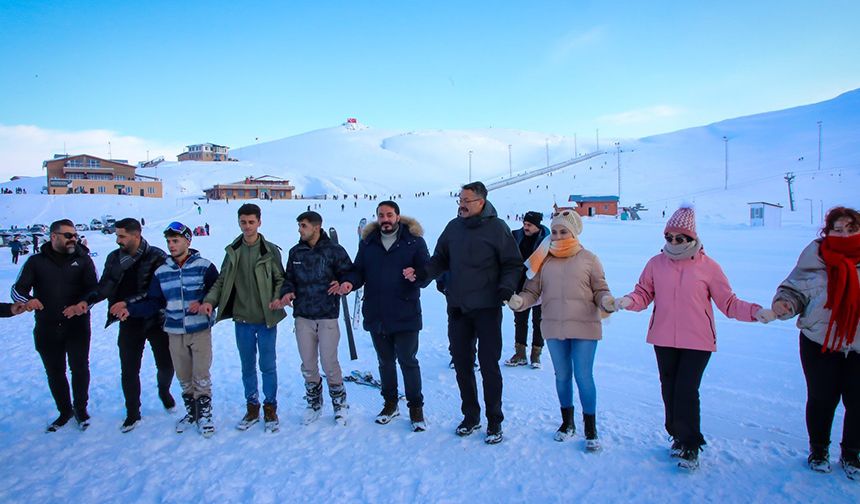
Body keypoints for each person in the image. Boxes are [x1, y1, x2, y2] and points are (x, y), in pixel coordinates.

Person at [614, 205, 770, 470]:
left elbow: (729, 303)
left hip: (698, 341)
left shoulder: (708, 267)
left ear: (692, 238)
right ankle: (676, 435)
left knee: (686, 390)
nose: (673, 243)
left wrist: (757, 313)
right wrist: (628, 301)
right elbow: (643, 293)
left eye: (680, 238)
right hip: (663, 337)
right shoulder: (656, 263)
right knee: (669, 389)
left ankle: (690, 444)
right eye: (669, 238)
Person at [404, 181, 522, 444]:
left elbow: (513, 264)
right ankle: (471, 416)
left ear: (481, 202)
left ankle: (494, 421)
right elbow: (439, 259)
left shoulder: (497, 228)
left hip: (487, 308)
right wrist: (423, 273)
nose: (461, 204)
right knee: (462, 365)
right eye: (459, 199)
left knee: (489, 366)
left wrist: (505, 288)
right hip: (458, 307)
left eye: (466, 200)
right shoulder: (453, 227)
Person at [508, 210, 615, 451]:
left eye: (563, 231)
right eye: (555, 231)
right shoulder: (544, 259)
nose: (557, 235)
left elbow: (600, 289)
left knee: (583, 376)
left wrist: (606, 300)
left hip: (584, 327)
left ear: (574, 232)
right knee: (562, 376)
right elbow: (532, 292)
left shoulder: (589, 259)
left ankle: (590, 428)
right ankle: (567, 423)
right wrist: (520, 302)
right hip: (554, 326)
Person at [769, 206, 860, 479]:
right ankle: (819, 450)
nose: (844, 234)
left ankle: (852, 452)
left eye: (851, 229)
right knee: (821, 399)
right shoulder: (814, 258)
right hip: (818, 341)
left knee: (858, 401)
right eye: (838, 229)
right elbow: (794, 290)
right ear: (827, 231)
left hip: (858, 345)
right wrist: (785, 304)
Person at [68, 218, 175, 432]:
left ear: (136, 235)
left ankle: (164, 390)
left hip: (156, 319)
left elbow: (158, 291)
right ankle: (133, 412)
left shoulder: (157, 256)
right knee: (128, 369)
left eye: (122, 236)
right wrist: (86, 301)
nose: (118, 240)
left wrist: (128, 302)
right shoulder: (115, 258)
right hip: (128, 321)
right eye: (117, 235)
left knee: (166, 365)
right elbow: (106, 285)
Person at [121, 222, 219, 437]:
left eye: (176, 241)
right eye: (169, 241)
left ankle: (205, 415)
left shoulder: (204, 266)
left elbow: (217, 291)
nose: (171, 245)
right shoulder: (162, 271)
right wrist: (131, 310)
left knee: (201, 374)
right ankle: (192, 413)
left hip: (200, 329)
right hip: (174, 331)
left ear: (188, 241)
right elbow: (155, 301)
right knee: (184, 375)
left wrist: (205, 302)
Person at [339, 201, 430, 431]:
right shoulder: (368, 243)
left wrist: (416, 274)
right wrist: (350, 281)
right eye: (381, 215)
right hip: (377, 313)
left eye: (389, 215)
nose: (385, 219)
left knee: (408, 361)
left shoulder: (414, 241)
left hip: (405, 312)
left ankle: (416, 409)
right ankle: (390, 404)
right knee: (385, 362)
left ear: (398, 217)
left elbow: (428, 271)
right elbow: (359, 270)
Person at [200, 204, 286, 432]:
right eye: (243, 222)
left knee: (267, 366)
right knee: (247, 366)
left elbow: (280, 279)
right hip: (242, 319)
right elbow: (221, 280)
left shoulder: (269, 251)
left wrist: (278, 298)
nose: (247, 226)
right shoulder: (233, 251)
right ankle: (252, 406)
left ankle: (270, 408)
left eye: (251, 222)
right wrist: (210, 301)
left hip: (266, 319)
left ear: (259, 222)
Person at [11, 220, 97, 432]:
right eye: (68, 235)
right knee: (54, 371)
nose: (73, 239)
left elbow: (95, 290)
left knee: (79, 367)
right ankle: (64, 410)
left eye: (75, 235)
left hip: (77, 325)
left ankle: (81, 409)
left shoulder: (83, 260)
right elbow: (17, 290)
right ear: (53, 236)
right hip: (47, 326)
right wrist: (28, 300)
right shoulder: (36, 262)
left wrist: (82, 305)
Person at [272, 211, 353, 426]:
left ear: (316, 227)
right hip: (303, 316)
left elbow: (350, 273)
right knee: (308, 364)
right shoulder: (295, 252)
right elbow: (288, 279)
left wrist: (344, 284)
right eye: (299, 225)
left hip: (327, 315)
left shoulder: (334, 251)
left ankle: (340, 404)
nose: (300, 229)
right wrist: (287, 293)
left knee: (329, 363)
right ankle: (314, 403)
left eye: (303, 225)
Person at [505, 211, 550, 368]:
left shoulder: (547, 240)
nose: (525, 227)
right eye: (524, 224)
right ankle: (520, 353)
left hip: (540, 287)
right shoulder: (516, 236)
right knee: (520, 320)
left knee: (539, 321)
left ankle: (536, 355)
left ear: (537, 226)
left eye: (529, 225)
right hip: (519, 285)